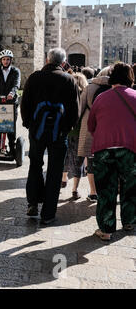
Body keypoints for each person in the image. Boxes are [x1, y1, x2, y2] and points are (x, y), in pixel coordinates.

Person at [20, 47, 79, 224]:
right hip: (59, 133)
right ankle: (48, 214)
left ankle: (32, 203)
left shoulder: (34, 77)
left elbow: (25, 104)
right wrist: (66, 128)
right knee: (55, 171)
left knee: (35, 165)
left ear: (47, 60)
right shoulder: (69, 80)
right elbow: (74, 110)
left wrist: (28, 124)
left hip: (37, 130)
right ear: (62, 62)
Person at [88, 62, 136, 241]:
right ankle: (129, 221)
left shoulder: (101, 97)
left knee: (106, 190)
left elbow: (91, 125)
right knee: (130, 187)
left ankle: (106, 229)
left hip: (104, 149)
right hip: (130, 149)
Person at [77, 66, 112, 203]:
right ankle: (105, 191)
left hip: (90, 126)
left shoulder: (90, 87)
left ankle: (93, 192)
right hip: (108, 127)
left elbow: (80, 108)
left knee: (91, 160)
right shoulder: (114, 88)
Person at [61, 72, 88, 201]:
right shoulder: (85, 96)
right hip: (79, 132)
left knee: (65, 157)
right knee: (78, 162)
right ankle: (74, 190)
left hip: (67, 131)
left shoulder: (66, 94)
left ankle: (64, 178)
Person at [0, 49, 21, 154]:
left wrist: (12, 93)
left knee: (10, 124)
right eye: (4, 59)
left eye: (8, 59)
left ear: (11, 60)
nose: (6, 61)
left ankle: (12, 146)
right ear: (1, 60)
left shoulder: (15, 71)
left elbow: (16, 84)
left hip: (11, 102)